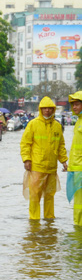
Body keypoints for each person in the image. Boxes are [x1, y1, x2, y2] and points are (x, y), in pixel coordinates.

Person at [20, 97, 67, 220]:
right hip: (37, 166)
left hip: (52, 167)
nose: (47, 111)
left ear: (53, 109)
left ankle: (49, 220)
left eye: (49, 108)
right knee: (35, 195)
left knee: (50, 195)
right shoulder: (33, 124)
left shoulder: (57, 126)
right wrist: (26, 160)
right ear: (40, 109)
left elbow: (61, 145)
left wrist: (64, 161)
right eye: (44, 108)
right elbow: (25, 143)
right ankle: (34, 221)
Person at [66, 91, 82, 225]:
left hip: (81, 169)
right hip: (77, 168)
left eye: (77, 104)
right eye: (73, 105)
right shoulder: (78, 121)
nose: (74, 107)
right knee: (78, 202)